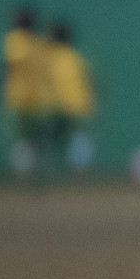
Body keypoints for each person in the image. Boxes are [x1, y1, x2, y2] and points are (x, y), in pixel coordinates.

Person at [1, 6, 52, 182]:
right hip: (33, 101)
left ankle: (25, 175)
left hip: (20, 99)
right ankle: (28, 174)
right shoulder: (39, 43)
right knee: (27, 141)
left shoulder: (15, 41)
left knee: (22, 140)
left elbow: (6, 69)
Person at [47, 21, 96, 174]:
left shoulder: (48, 58)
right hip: (79, 106)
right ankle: (79, 173)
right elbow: (92, 81)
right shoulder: (76, 58)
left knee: (50, 142)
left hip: (55, 107)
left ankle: (48, 172)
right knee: (79, 140)